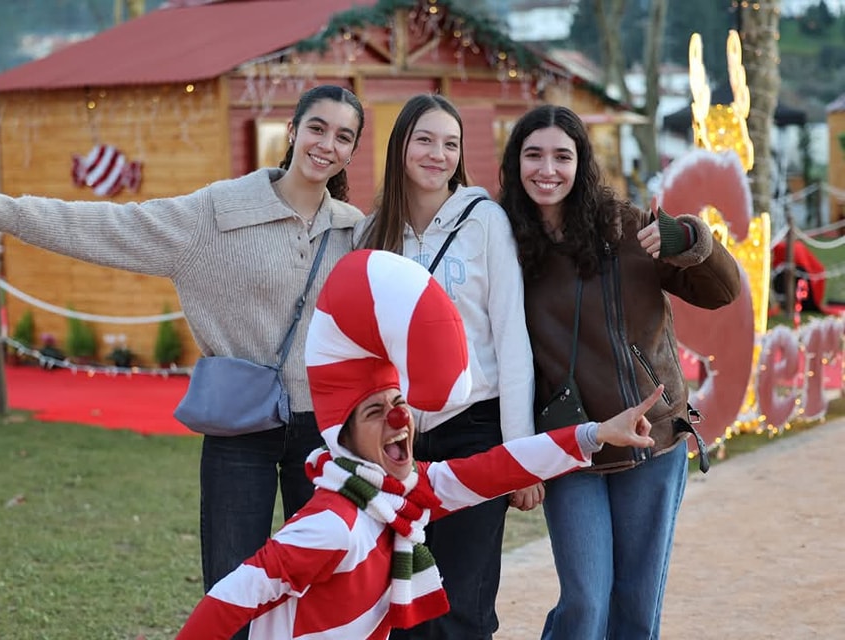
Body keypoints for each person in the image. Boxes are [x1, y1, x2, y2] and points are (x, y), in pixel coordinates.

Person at [0, 84, 366, 640]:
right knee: (232, 588)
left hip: (325, 432)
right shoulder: (217, 213)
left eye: (344, 136)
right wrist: (4, 210)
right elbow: (110, 229)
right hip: (240, 425)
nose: (327, 144)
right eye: (317, 128)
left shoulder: (355, 231)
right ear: (292, 132)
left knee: (326, 586)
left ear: (352, 151)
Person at [175, 248, 662, 640]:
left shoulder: (402, 491)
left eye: (398, 401)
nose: (399, 418)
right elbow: (232, 597)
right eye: (374, 411)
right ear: (344, 434)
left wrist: (595, 433)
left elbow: (497, 468)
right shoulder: (332, 525)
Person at [498, 104, 742, 639]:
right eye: (533, 154)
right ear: (515, 162)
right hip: (571, 445)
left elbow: (723, 292)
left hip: (650, 442)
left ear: (581, 163)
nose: (547, 169)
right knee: (585, 605)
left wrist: (690, 242)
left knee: (635, 605)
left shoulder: (627, 227)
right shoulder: (505, 243)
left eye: (562, 156)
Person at [356, 94, 537, 640]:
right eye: (425, 140)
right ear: (401, 147)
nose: (438, 154)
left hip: (473, 430)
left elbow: (511, 338)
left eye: (450, 144)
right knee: (403, 601)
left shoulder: (485, 222)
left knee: (463, 601)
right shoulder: (373, 233)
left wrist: (518, 455)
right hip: (398, 439)